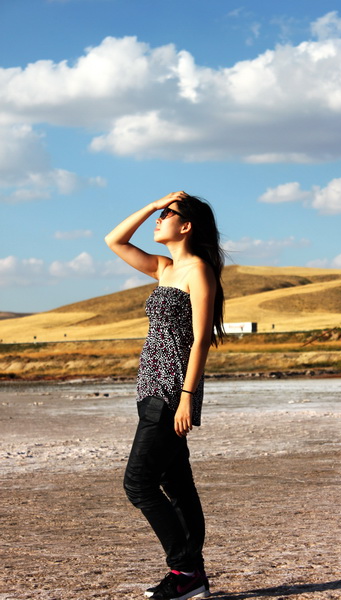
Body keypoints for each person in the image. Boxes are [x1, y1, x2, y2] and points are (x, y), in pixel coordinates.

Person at [105, 191, 225, 600]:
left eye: (167, 215)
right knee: (177, 483)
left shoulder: (199, 272)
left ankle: (185, 570)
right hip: (149, 388)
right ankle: (194, 577)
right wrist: (153, 206)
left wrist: (187, 396)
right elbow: (114, 240)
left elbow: (201, 340)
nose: (159, 221)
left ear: (186, 226)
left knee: (138, 483)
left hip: (172, 389)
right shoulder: (164, 268)